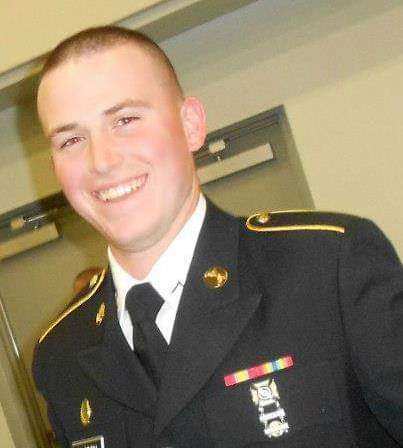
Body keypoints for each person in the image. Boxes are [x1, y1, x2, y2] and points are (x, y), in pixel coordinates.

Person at [32, 26, 403, 448]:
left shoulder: (328, 267)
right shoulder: (62, 352)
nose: (101, 161)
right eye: (71, 140)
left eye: (125, 120)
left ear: (191, 124)